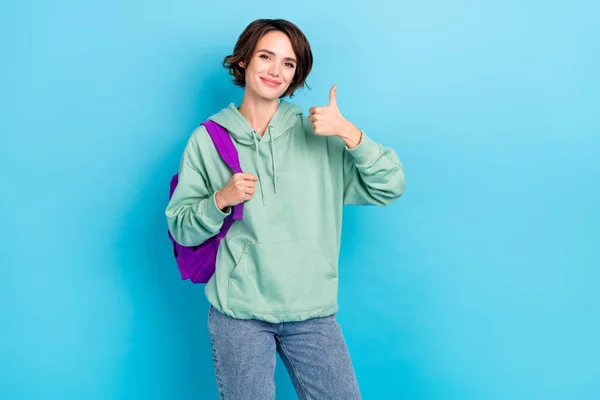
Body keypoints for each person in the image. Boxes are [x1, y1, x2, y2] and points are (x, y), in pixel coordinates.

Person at [165, 18, 405, 400]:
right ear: (243, 61)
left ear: (296, 74)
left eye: (289, 63)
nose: (276, 70)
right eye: (265, 56)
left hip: (312, 310)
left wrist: (350, 133)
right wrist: (219, 201)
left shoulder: (319, 131)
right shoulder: (208, 140)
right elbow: (182, 228)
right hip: (239, 313)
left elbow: (390, 185)